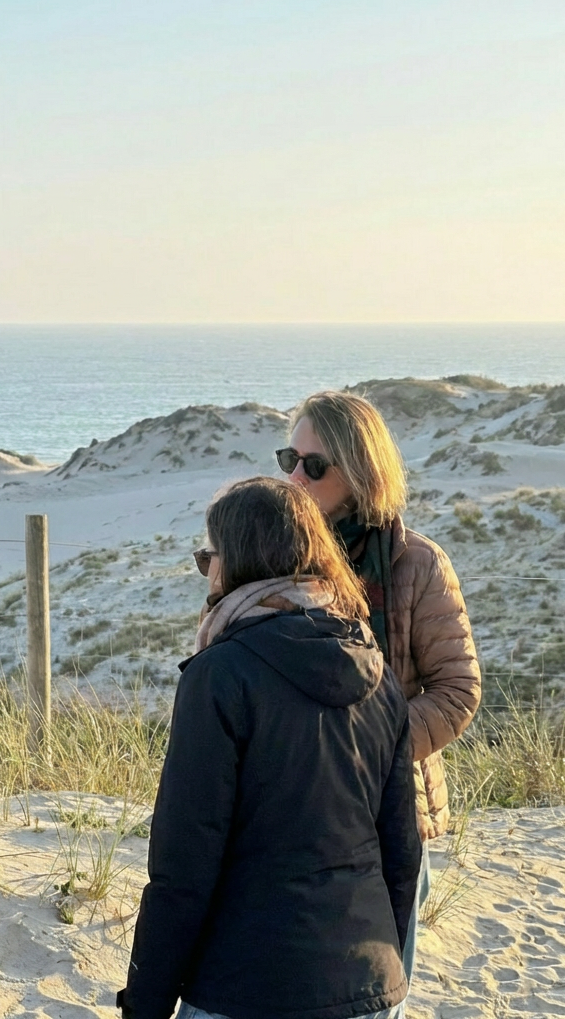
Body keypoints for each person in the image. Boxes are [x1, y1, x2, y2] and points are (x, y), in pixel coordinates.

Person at [119, 477, 421, 1019]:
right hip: (368, 982)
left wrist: (145, 1003)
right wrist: (383, 967)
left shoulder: (220, 675)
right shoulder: (376, 670)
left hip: (247, 985)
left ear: (236, 562)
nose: (207, 572)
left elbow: (183, 866)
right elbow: (401, 850)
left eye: (209, 556)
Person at [278, 390, 481, 980]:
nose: (295, 477)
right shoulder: (280, 556)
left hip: (389, 810)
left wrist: (371, 749)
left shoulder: (417, 565)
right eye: (287, 459)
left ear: (361, 473)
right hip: (293, 805)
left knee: (382, 982)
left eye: (314, 466)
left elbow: (457, 689)